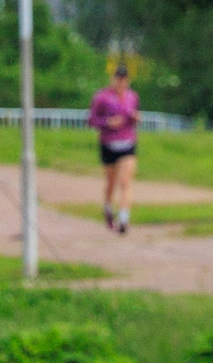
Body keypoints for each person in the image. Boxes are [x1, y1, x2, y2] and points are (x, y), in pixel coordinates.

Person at [87, 61, 140, 234]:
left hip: (127, 143)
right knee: (111, 182)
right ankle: (108, 207)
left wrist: (135, 118)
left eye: (124, 79)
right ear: (113, 79)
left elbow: (135, 114)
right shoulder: (102, 97)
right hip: (109, 143)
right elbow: (92, 120)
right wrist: (108, 122)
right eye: (118, 79)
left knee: (125, 182)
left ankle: (124, 219)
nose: (121, 83)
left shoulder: (132, 97)